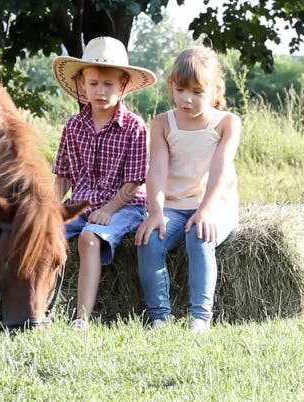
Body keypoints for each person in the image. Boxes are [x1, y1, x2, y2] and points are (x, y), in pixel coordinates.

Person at [134, 45, 242, 333]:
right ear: (171, 85)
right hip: (173, 206)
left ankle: (199, 317)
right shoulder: (162, 124)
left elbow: (220, 167)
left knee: (199, 236)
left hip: (216, 204)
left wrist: (206, 211)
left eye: (197, 92)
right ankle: (160, 317)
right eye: (181, 89)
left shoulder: (227, 123)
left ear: (216, 90)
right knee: (149, 240)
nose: (187, 99)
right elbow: (156, 170)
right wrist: (155, 212)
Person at [52, 36, 157, 330]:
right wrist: (50, 211)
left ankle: (81, 317)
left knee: (89, 238)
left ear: (123, 85)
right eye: (94, 83)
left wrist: (110, 209)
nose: (100, 91)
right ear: (82, 84)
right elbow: (62, 176)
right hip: (83, 202)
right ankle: (39, 306)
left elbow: (135, 180)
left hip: (124, 205)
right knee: (44, 234)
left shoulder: (134, 127)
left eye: (108, 84)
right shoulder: (73, 126)